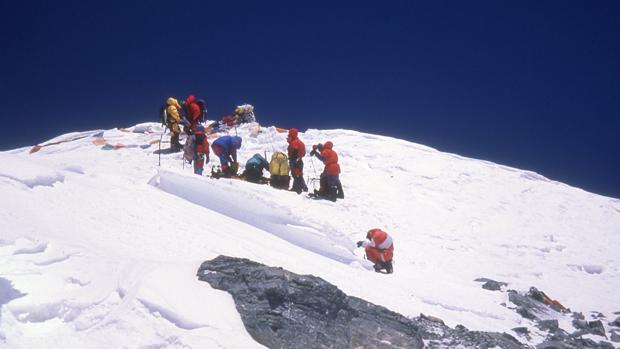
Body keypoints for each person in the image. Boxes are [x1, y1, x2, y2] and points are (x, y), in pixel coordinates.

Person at [287, 128, 308, 194]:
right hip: (300, 160)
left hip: (294, 160)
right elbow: (304, 153)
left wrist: (294, 158)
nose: (288, 136)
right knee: (299, 174)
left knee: (295, 175)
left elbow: (295, 150)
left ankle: (300, 188)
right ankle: (298, 187)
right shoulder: (301, 142)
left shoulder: (294, 142)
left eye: (289, 134)